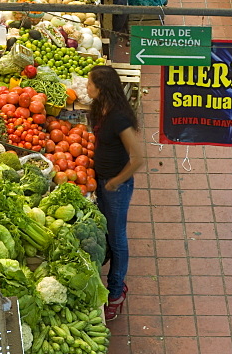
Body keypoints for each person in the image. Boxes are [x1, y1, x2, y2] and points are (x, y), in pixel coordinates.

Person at [87, 65, 143, 323]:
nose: (86, 87)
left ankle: (116, 292)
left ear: (101, 88)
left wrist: (116, 182)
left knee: (118, 238)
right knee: (107, 231)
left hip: (116, 187)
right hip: (101, 180)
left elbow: (139, 158)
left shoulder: (119, 117)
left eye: (89, 84)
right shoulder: (101, 107)